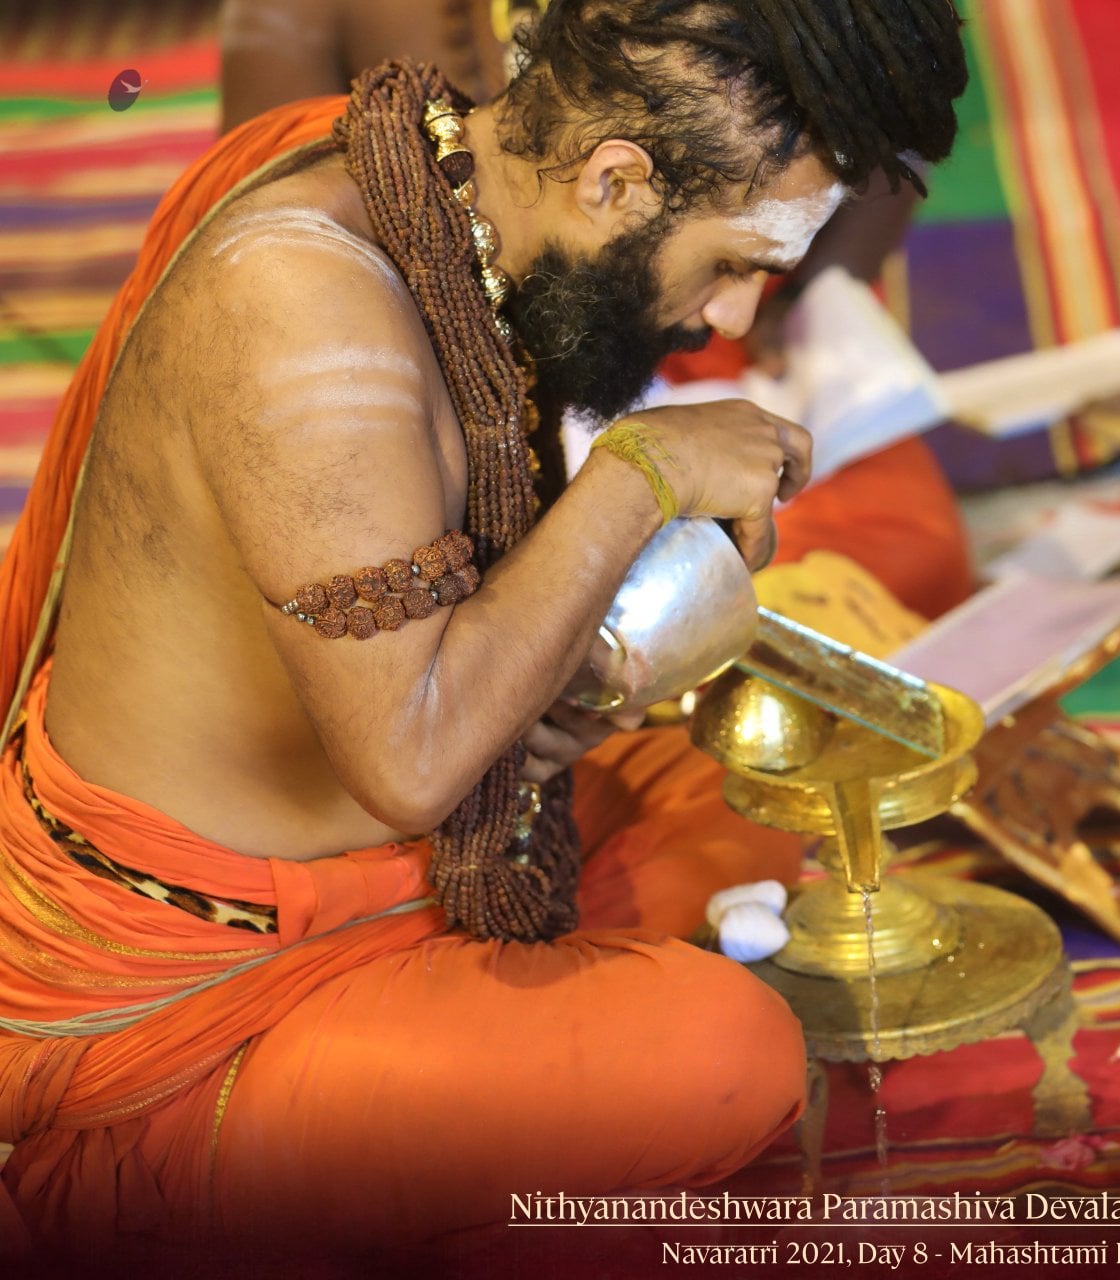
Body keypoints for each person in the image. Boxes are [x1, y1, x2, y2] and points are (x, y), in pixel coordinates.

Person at [0, 0, 968, 1253]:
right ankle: (120, 1180)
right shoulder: (298, 304)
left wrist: (564, 695)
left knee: (741, 784)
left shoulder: (450, 196)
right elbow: (410, 762)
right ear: (615, 179)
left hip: (416, 850)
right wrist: (641, 476)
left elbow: (444, 647)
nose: (729, 321)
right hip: (204, 984)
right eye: (734, 262)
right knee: (724, 1054)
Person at [217, 0, 962, 618]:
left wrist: (784, 290)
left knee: (902, 555)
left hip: (716, 349)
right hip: (445, 346)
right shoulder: (306, 276)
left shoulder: (734, 292)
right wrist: (640, 479)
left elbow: (887, 112)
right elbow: (404, 728)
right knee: (660, 596)